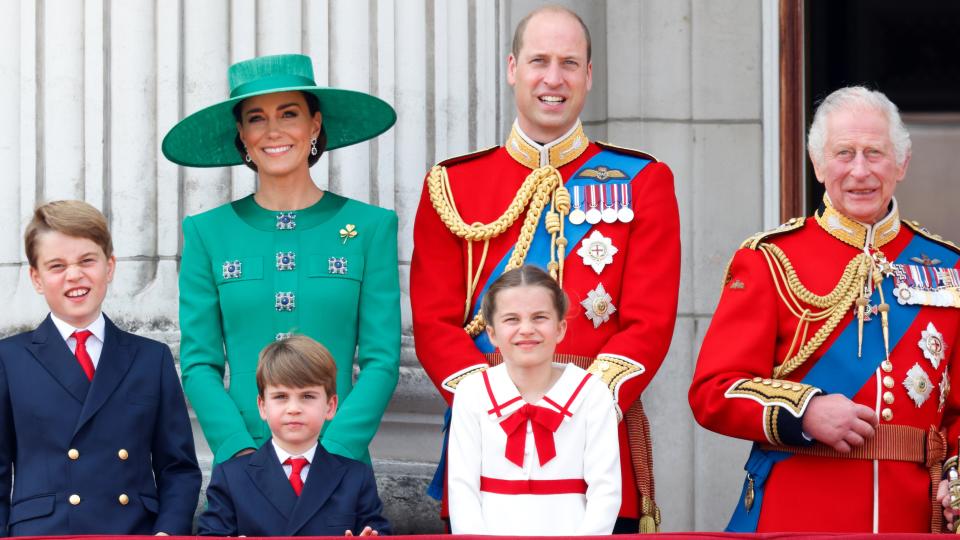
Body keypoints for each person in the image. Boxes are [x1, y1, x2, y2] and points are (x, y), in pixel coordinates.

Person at [410, 5, 679, 532]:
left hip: (595, 436)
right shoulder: (452, 186)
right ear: (512, 68)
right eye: (538, 61)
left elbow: (649, 322)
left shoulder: (643, 180)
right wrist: (494, 404)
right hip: (486, 442)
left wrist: (579, 406)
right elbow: (433, 322)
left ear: (588, 75)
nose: (553, 79)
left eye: (569, 63)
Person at [689, 86, 960, 533]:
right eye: (843, 153)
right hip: (799, 512)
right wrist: (805, 413)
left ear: (902, 163)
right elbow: (713, 392)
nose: (859, 171)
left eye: (874, 153)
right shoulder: (770, 260)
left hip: (911, 516)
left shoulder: (948, 267)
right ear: (817, 164)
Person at [162, 54, 401, 466]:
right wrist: (237, 449)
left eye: (288, 113)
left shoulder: (370, 227)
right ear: (242, 133)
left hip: (338, 465)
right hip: (243, 463)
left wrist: (338, 450)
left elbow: (382, 360)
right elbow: (199, 363)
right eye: (256, 118)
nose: (273, 131)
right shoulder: (207, 232)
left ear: (315, 124)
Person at [0, 200, 201, 536]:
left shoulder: (151, 358)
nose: (74, 275)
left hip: (131, 530)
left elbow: (178, 468)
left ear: (109, 267)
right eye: (57, 266)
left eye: (86, 261)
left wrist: (168, 532)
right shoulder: (9, 358)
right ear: (36, 278)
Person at [447, 265, 620, 535]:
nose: (526, 329)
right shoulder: (472, 393)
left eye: (539, 317)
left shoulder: (592, 393)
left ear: (560, 328)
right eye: (511, 319)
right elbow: (462, 488)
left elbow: (605, 491)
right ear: (491, 333)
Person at [198, 335, 390, 536]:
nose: (294, 408)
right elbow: (211, 534)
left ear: (330, 406)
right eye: (281, 396)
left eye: (307, 396)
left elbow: (377, 530)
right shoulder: (231, 476)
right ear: (262, 406)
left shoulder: (356, 477)